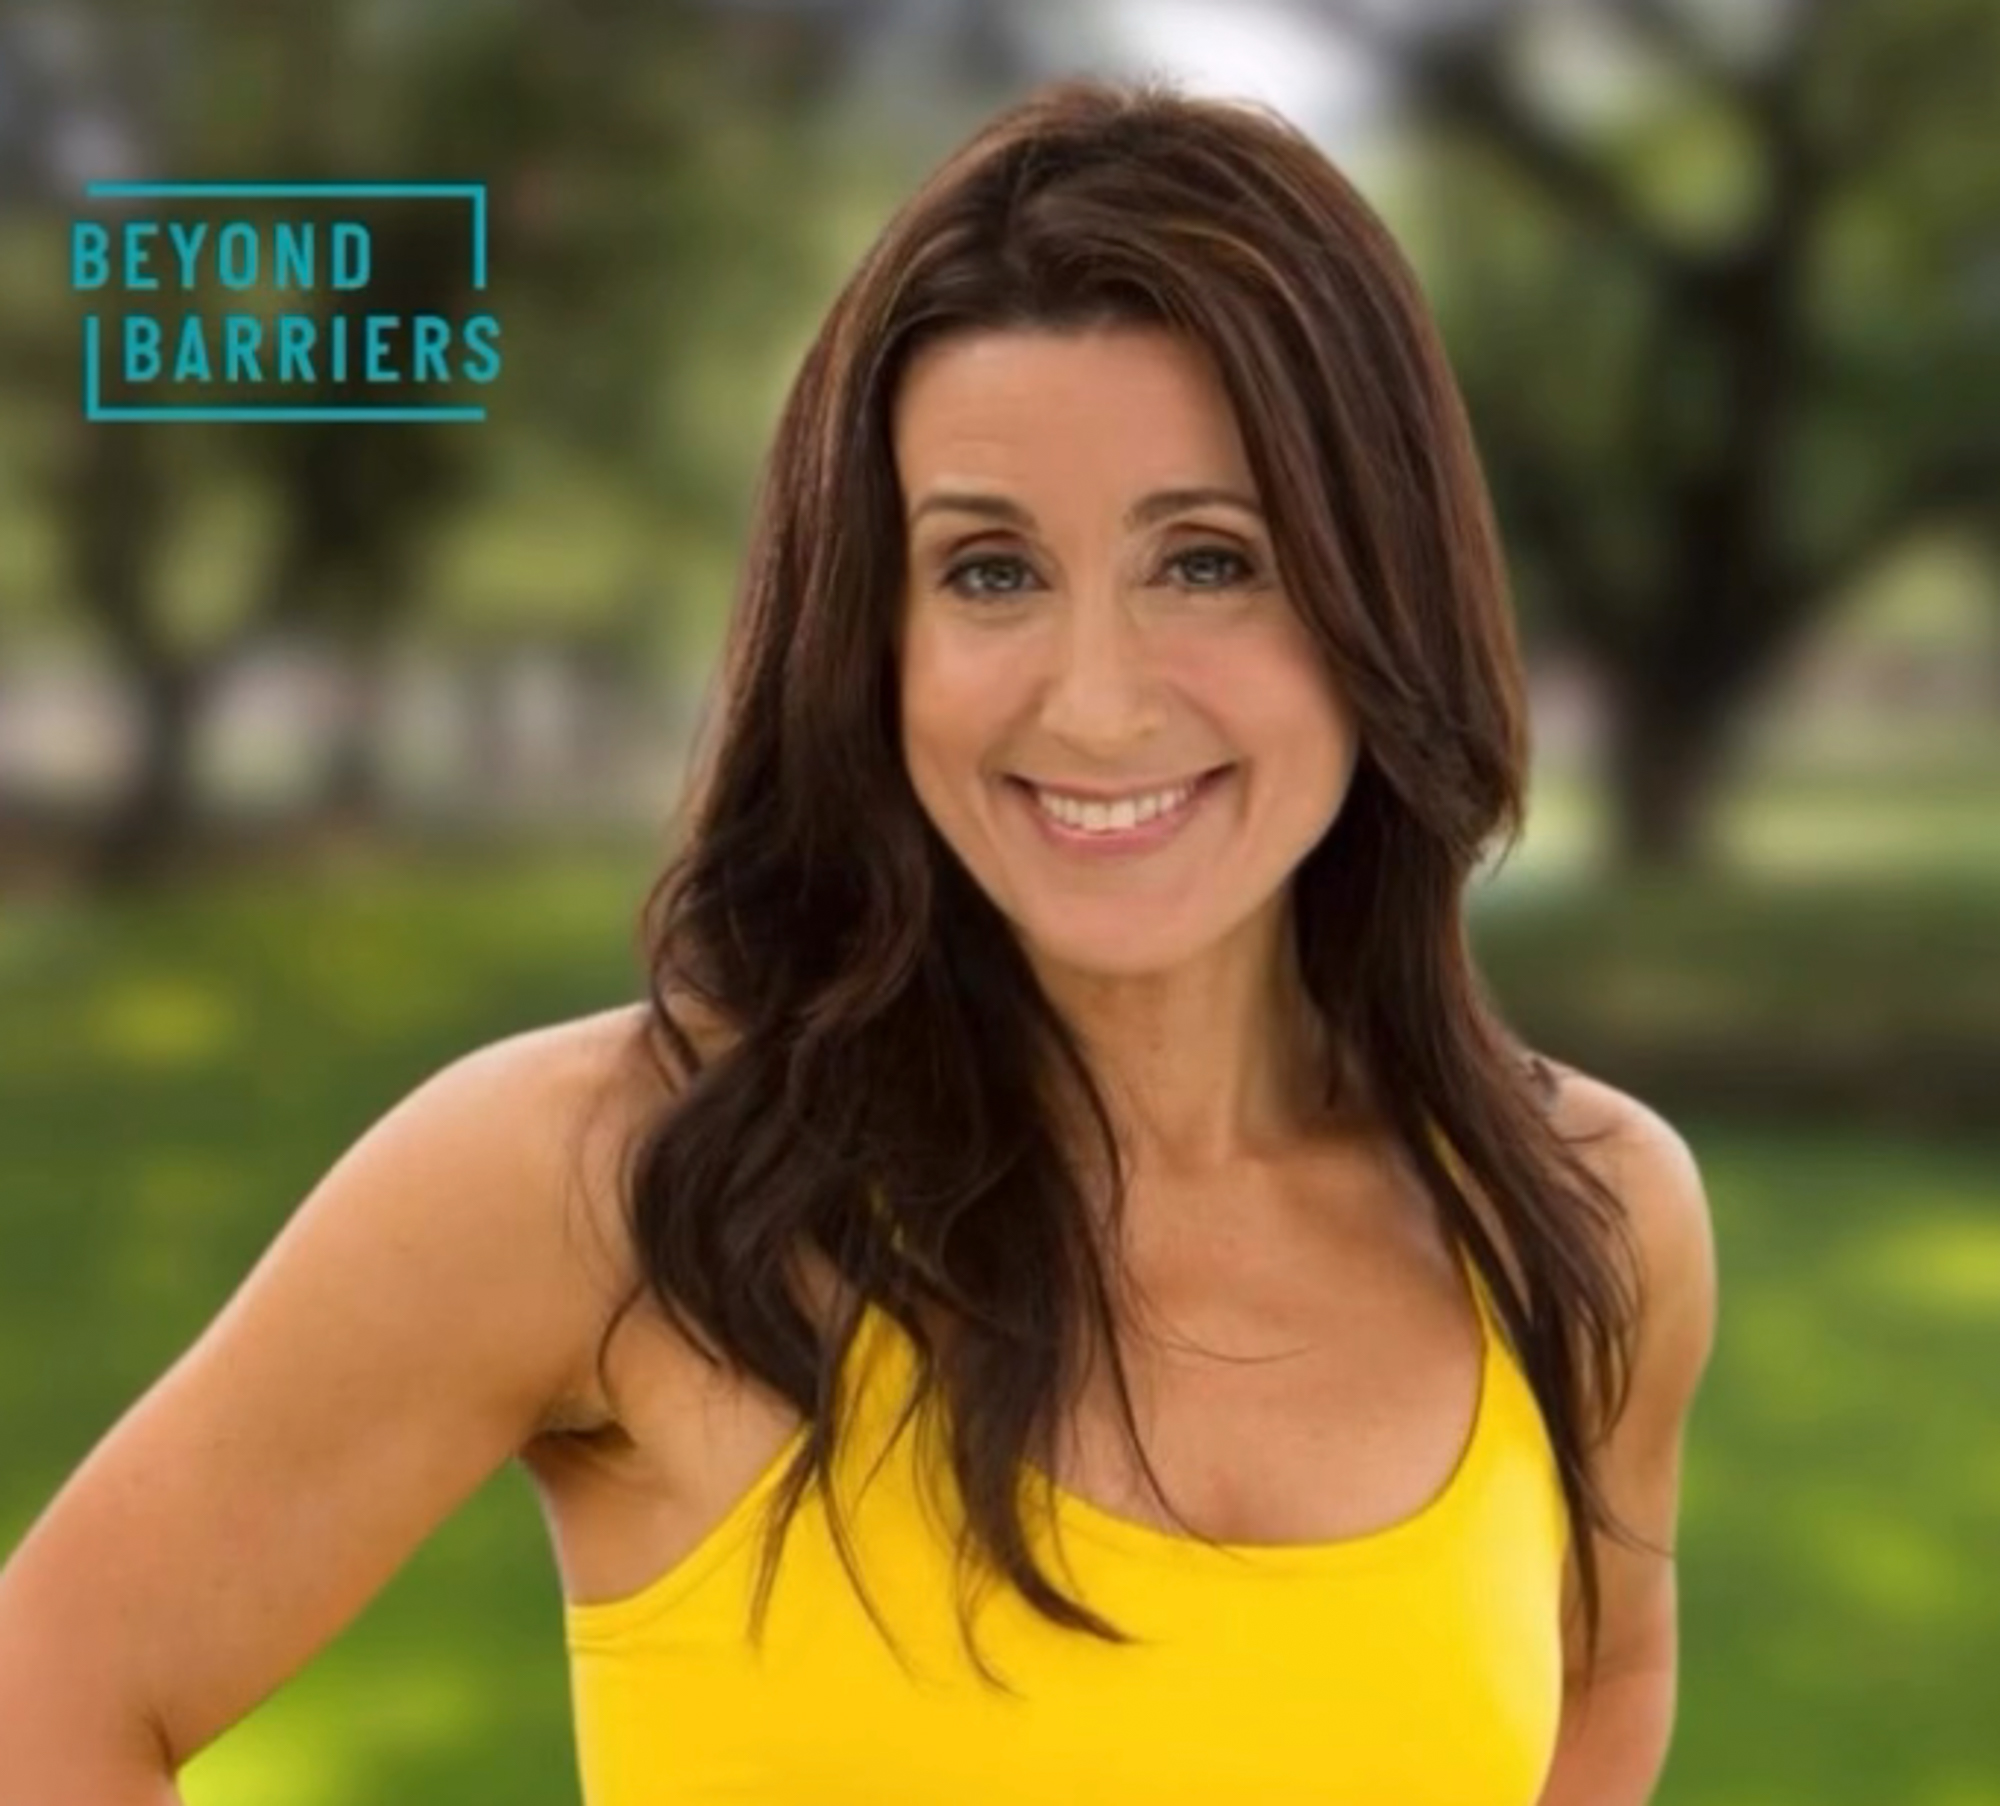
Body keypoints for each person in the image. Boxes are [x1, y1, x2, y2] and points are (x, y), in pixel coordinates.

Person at [0, 76, 1718, 1806]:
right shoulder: (597, 1182)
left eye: (1210, 560)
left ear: (1384, 589)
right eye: (988, 571)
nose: (1100, 701)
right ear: (866, 631)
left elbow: (1608, 1675)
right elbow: (53, 1696)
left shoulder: (1586, 1223)